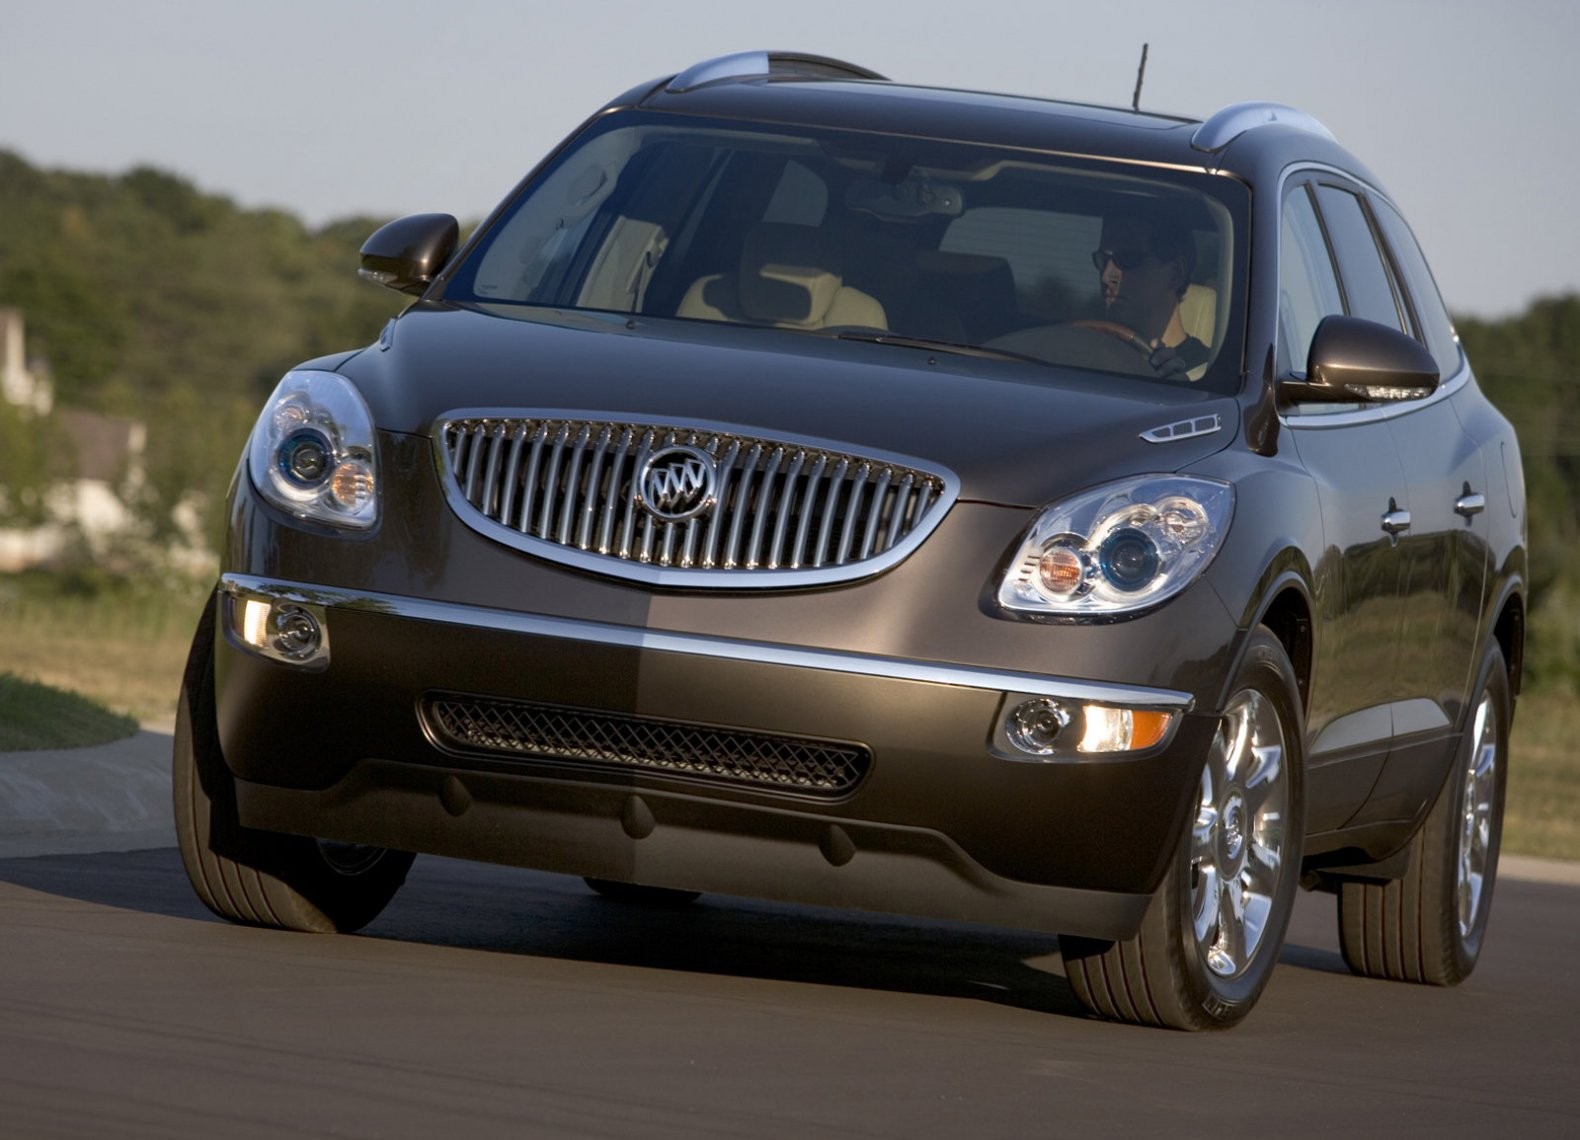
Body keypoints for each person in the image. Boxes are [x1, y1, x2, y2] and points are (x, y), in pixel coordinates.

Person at [1090, 210, 1210, 375]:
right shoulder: (1086, 355)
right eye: (1102, 259)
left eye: (1128, 259)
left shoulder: (1207, 376)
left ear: (1175, 274)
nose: (1106, 276)